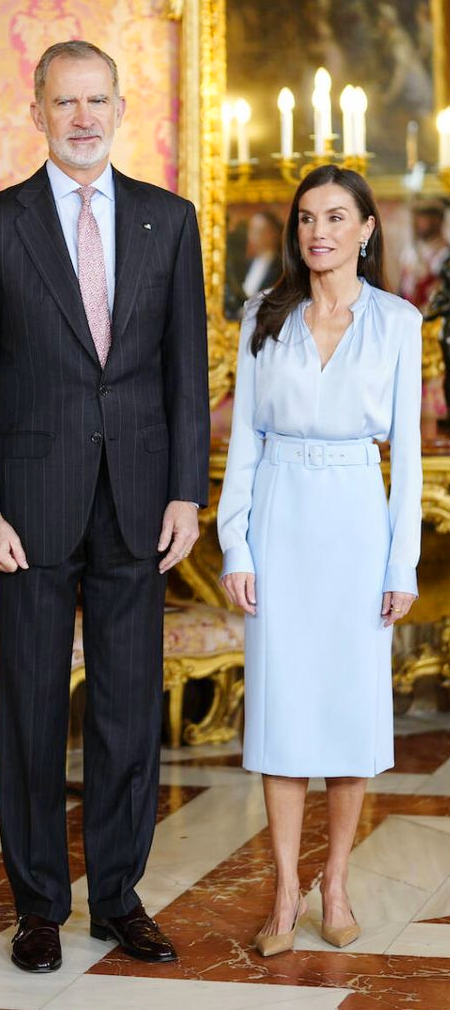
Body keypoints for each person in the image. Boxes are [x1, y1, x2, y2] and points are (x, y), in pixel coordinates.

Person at [0, 40, 209, 973]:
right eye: (66, 103)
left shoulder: (169, 222)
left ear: (121, 107)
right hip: (29, 503)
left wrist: (188, 490)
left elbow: (186, 370)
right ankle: (37, 907)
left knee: (129, 710)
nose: (84, 117)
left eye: (99, 100)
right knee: (27, 710)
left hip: (141, 502)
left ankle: (120, 897)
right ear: (38, 112)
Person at [218, 165, 422, 957]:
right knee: (281, 709)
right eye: (306, 218)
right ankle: (282, 890)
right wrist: (237, 542)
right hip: (278, 515)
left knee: (345, 707)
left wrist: (398, 565)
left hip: (355, 519)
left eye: (337, 217)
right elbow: (243, 441)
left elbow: (404, 456)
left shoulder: (399, 323)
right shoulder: (263, 316)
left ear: (367, 229)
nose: (319, 232)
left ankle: (333, 883)